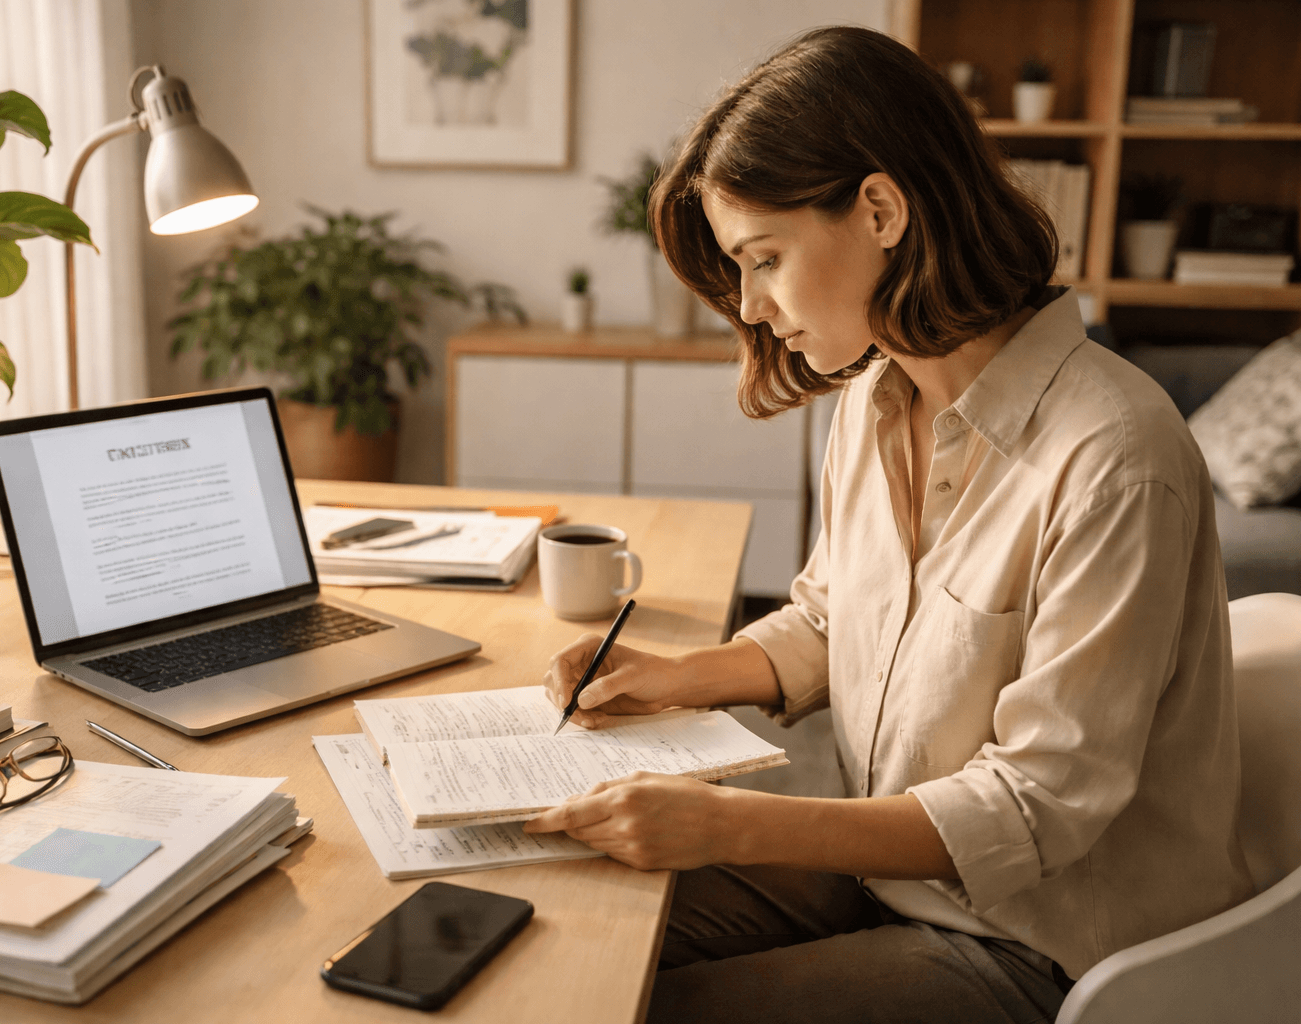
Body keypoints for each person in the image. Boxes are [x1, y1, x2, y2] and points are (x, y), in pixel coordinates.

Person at [522, 25, 1253, 1024]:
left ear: (879, 209)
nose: (752, 305)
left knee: (640, 1002)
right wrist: (679, 674)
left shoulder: (1115, 454)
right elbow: (835, 617)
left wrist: (727, 823)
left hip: (1041, 947)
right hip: (890, 878)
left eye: (764, 258)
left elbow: (1035, 805)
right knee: (557, 923)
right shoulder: (873, 403)